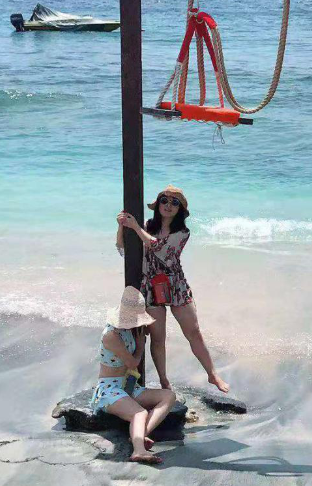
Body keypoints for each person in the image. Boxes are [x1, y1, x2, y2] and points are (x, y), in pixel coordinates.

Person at [117, 185, 229, 394]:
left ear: (180, 209)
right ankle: (164, 381)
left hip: (175, 284)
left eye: (174, 203)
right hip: (150, 285)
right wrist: (122, 226)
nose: (168, 205)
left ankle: (212, 374)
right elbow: (122, 248)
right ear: (158, 204)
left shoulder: (182, 233)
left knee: (194, 331)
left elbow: (159, 248)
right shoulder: (146, 226)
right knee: (158, 338)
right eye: (164, 201)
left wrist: (136, 228)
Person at [91, 286, 176, 464]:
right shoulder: (111, 336)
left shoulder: (130, 330)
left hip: (128, 386)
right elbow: (132, 363)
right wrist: (140, 345)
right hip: (109, 390)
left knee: (168, 396)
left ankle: (139, 435)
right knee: (139, 413)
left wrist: (141, 335)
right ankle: (139, 450)